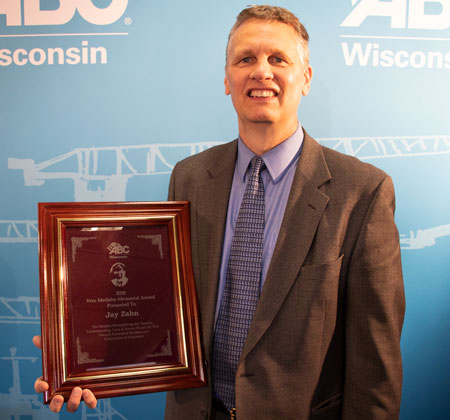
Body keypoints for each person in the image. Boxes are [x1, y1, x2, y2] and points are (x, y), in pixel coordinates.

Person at [35, 5, 405, 419]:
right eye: (245, 58)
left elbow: (375, 366)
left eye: (278, 59)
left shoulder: (363, 192)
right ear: (227, 80)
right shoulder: (190, 177)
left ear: (306, 78)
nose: (261, 71)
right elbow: (158, 305)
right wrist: (82, 357)